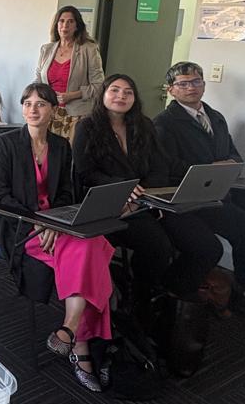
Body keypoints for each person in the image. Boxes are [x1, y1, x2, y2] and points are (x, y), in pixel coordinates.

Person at [153, 62, 245, 333]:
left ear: (203, 84)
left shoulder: (215, 116)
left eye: (196, 81)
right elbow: (167, 167)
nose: (191, 87)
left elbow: (233, 153)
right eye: (183, 83)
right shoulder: (164, 123)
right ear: (171, 90)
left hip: (228, 188)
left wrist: (230, 163)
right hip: (196, 195)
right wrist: (208, 169)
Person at [0, 84, 116, 392]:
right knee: (92, 250)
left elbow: (65, 194)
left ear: (53, 110)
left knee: (90, 244)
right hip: (22, 228)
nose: (33, 109)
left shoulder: (61, 146)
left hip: (57, 226)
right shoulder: (5, 143)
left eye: (41, 104)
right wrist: (39, 222)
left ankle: (69, 329)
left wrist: (54, 222)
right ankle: (81, 345)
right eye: (28, 103)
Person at [73, 74, 221, 304]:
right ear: (103, 94)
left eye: (128, 92)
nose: (121, 96)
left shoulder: (144, 125)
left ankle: (172, 289)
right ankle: (139, 297)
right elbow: (86, 172)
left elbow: (159, 167)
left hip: (149, 200)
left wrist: (145, 194)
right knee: (158, 247)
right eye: (114, 90)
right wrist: (123, 189)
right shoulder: (87, 126)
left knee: (208, 246)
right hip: (112, 204)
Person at [36, 7, 104, 139]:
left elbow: (99, 85)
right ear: (56, 25)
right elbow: (38, 81)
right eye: (61, 21)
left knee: (71, 151)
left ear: (77, 26)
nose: (65, 25)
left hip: (77, 115)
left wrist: (72, 95)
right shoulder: (46, 49)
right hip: (49, 113)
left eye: (70, 21)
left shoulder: (89, 49)